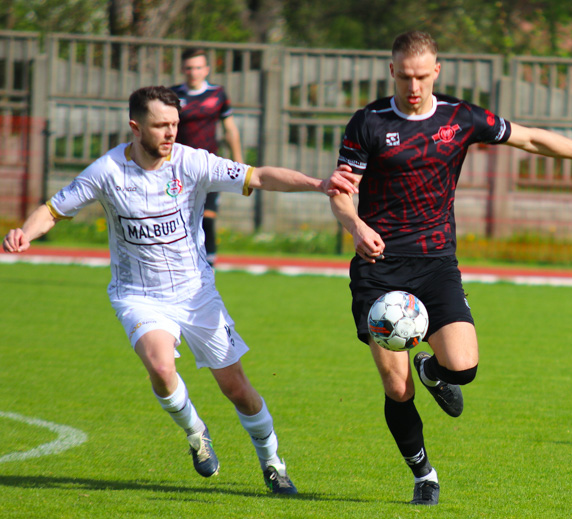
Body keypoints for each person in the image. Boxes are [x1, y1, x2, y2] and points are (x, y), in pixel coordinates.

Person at [328, 31, 572, 506]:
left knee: (464, 368)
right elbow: (342, 191)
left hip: (436, 265)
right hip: (380, 268)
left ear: (437, 70)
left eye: (422, 75)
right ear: (392, 71)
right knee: (395, 383)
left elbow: (530, 137)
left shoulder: (460, 117)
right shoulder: (367, 123)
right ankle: (423, 474)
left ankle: (433, 370)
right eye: (405, 76)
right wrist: (355, 226)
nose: (413, 86)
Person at [3, 86, 359, 495]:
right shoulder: (106, 172)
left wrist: (318, 183)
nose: (171, 133)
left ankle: (273, 462)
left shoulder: (192, 162)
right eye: (161, 125)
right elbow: (53, 210)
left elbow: (256, 175)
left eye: (175, 124)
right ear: (136, 127)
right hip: (137, 294)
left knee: (237, 390)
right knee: (160, 365)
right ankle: (196, 433)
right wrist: (23, 233)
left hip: (196, 293)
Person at [171, 48, 243, 266]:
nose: (194, 72)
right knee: (178, 219)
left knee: (208, 218)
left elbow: (230, 129)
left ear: (207, 70)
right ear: (183, 70)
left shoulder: (217, 94)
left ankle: (209, 266)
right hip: (178, 167)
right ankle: (178, 264)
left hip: (210, 167)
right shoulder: (172, 95)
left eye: (198, 67)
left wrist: (238, 162)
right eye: (189, 68)